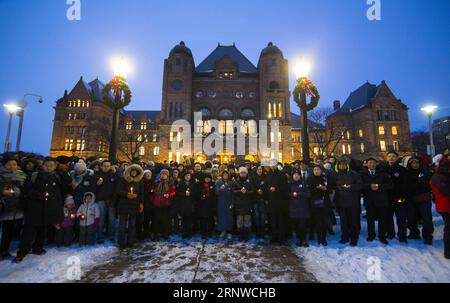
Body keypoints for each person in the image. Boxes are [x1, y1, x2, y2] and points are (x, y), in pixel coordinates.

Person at [15, 157, 64, 263]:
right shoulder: (34, 176)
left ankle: (38, 247)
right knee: (29, 231)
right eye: (47, 165)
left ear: (55, 166)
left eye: (51, 165)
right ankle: (22, 251)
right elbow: (27, 190)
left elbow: (57, 194)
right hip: (34, 208)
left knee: (43, 230)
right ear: (43, 165)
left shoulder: (56, 177)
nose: (49, 167)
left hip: (47, 208)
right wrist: (35, 194)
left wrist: (57, 211)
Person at [360, 158, 393, 245]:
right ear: (366, 164)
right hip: (369, 200)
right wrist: (369, 186)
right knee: (370, 219)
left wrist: (379, 186)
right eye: (370, 163)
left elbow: (390, 185)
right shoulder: (362, 174)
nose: (372, 165)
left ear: (377, 164)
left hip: (382, 199)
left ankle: (382, 236)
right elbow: (360, 185)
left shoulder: (383, 173)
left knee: (382, 218)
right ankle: (371, 235)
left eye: (374, 163)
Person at [0, 158, 27, 259]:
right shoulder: (1, 175)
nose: (12, 166)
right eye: (9, 164)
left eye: (14, 164)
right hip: (4, 206)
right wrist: (2, 192)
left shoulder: (22, 176)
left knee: (9, 230)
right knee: (6, 229)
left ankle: (4, 249)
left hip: (16, 207)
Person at [334, 158, 363, 246]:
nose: (342, 166)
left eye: (343, 164)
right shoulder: (336, 174)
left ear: (347, 165)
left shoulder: (353, 174)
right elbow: (334, 186)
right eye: (340, 164)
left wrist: (351, 187)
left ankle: (354, 238)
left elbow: (360, 185)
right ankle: (344, 237)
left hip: (352, 202)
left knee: (353, 221)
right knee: (344, 222)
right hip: (341, 202)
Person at [405, 157, 433, 245]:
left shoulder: (426, 172)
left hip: (424, 198)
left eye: (417, 163)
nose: (415, 165)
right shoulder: (407, 173)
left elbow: (428, 185)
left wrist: (420, 183)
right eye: (412, 163)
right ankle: (414, 233)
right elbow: (406, 186)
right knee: (411, 218)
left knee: (427, 218)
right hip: (411, 199)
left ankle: (427, 236)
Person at [117, 164, 144, 248]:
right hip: (124, 205)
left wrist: (141, 203)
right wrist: (127, 194)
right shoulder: (123, 180)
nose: (134, 172)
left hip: (134, 205)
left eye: (136, 171)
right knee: (122, 225)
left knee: (132, 225)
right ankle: (121, 242)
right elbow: (119, 191)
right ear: (129, 171)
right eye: (132, 171)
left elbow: (141, 193)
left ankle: (130, 241)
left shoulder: (139, 182)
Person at [384, 151, 409, 242]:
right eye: (389, 156)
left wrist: (403, 196)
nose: (391, 158)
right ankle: (390, 233)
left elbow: (406, 184)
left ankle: (402, 235)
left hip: (399, 197)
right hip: (387, 198)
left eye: (393, 156)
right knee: (388, 217)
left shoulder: (402, 170)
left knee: (401, 218)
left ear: (397, 158)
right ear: (386, 158)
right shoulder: (383, 169)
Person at [430, 157, 450, 259]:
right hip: (446, 206)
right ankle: (448, 253)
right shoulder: (437, 176)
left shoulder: (443, 175)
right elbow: (446, 191)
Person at [266, 159, 289, 244]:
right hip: (271, 200)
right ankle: (274, 236)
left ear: (276, 165)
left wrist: (276, 189)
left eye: (274, 164)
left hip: (280, 200)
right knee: (273, 220)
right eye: (271, 164)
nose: (272, 166)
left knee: (280, 220)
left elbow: (285, 187)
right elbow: (266, 185)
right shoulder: (268, 174)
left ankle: (281, 238)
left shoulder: (281, 174)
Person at [307, 165, 331, 246]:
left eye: (318, 169)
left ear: (321, 171)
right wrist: (317, 188)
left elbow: (330, 188)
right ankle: (319, 237)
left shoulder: (325, 178)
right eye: (315, 170)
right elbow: (308, 190)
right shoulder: (310, 179)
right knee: (317, 221)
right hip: (314, 203)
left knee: (324, 221)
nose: (316, 171)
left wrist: (325, 189)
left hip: (324, 202)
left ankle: (323, 238)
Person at [95, 160, 118, 243]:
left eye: (108, 166)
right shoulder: (97, 175)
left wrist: (115, 173)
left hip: (111, 200)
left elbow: (117, 186)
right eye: (104, 166)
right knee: (101, 219)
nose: (106, 167)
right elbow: (93, 189)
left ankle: (111, 235)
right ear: (101, 166)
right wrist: (97, 185)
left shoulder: (113, 175)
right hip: (101, 200)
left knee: (111, 219)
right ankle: (100, 236)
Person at [152, 169, 176, 241]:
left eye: (164, 174)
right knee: (156, 220)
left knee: (165, 220)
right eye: (162, 174)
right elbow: (152, 191)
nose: (163, 176)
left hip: (166, 204)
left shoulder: (170, 183)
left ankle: (165, 233)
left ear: (167, 176)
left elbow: (174, 192)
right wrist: (153, 197)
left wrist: (169, 195)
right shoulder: (156, 182)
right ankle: (156, 234)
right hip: (157, 204)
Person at [288, 170, 310, 247]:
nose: (296, 176)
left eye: (298, 174)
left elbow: (308, 194)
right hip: (293, 208)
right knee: (296, 225)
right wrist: (292, 195)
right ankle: (298, 238)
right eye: (295, 174)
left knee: (302, 225)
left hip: (303, 208)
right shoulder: (289, 184)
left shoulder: (303, 184)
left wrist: (299, 194)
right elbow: (287, 194)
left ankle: (303, 239)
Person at [232, 167, 254, 241]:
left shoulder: (250, 181)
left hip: (247, 203)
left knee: (247, 219)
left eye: (244, 172)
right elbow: (233, 191)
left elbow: (252, 191)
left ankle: (247, 235)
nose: (243, 174)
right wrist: (240, 191)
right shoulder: (236, 181)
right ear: (239, 173)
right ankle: (240, 235)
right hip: (239, 204)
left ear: (246, 173)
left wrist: (246, 192)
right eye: (241, 172)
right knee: (240, 220)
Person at [177, 172, 197, 239]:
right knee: (184, 219)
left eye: (189, 175)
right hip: (183, 204)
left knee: (189, 219)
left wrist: (190, 193)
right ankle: (184, 233)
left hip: (190, 204)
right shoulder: (181, 183)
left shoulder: (193, 183)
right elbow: (178, 193)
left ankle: (189, 233)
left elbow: (195, 192)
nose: (188, 177)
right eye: (186, 175)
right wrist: (184, 194)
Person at [215, 171, 234, 240]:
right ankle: (223, 231)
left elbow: (233, 193)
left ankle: (229, 231)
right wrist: (220, 189)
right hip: (221, 203)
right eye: (224, 175)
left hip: (229, 202)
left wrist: (232, 203)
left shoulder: (231, 182)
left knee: (229, 217)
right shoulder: (218, 182)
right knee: (222, 216)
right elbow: (216, 192)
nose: (225, 176)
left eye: (227, 175)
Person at [197, 173, 216, 239]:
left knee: (210, 219)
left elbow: (214, 194)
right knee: (203, 219)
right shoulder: (200, 185)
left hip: (210, 204)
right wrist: (202, 197)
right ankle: (204, 232)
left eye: (208, 178)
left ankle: (210, 231)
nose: (207, 179)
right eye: (206, 178)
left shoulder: (213, 185)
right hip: (202, 204)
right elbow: (198, 193)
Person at [252, 166, 267, 239]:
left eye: (261, 169)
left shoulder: (265, 177)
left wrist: (263, 191)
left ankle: (263, 231)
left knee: (263, 216)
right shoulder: (253, 178)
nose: (260, 170)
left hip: (263, 199)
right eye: (258, 169)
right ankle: (258, 231)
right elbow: (252, 187)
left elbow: (267, 187)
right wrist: (257, 190)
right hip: (256, 199)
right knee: (257, 216)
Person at [141, 169, 155, 239]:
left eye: (149, 175)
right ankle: (145, 232)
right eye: (147, 174)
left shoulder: (154, 182)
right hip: (145, 202)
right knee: (146, 218)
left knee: (152, 218)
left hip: (152, 202)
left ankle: (151, 231)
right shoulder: (142, 182)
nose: (148, 176)